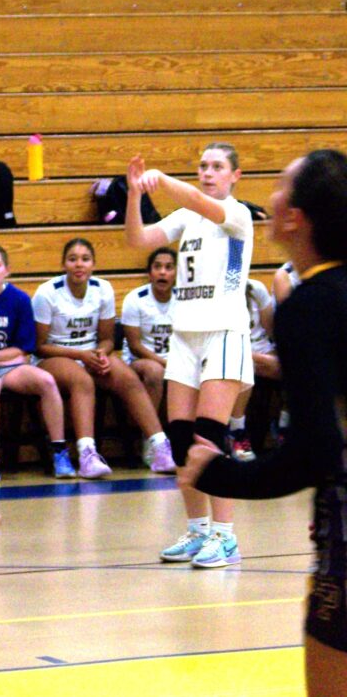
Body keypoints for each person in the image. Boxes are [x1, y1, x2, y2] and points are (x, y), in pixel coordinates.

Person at [182, 149, 347, 694]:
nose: (269, 199)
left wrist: (217, 472)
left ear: (296, 218)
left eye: (279, 187)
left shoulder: (308, 308)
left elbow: (315, 452)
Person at [125, 142, 254, 568]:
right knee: (181, 442)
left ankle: (226, 537)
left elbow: (198, 199)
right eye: (202, 166)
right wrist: (134, 194)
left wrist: (161, 181)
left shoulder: (236, 215)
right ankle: (198, 532)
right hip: (185, 336)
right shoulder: (186, 217)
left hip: (223, 332)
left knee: (209, 439)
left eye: (217, 167)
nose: (208, 172)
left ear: (235, 175)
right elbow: (137, 240)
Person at [32, 238, 174, 479]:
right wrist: (81, 355)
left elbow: (107, 339)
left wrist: (101, 353)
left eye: (85, 259)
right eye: (73, 259)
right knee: (82, 381)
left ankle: (159, 447)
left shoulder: (103, 289)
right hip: (56, 356)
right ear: (63, 264)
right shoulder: (47, 293)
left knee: (127, 377)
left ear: (93, 265)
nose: (79, 264)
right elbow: (39, 346)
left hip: (90, 354)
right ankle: (87, 455)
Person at [0, 245, 66, 483]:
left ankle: (60, 451)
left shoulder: (19, 299)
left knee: (47, 381)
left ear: (7, 270)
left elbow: (23, 348)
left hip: (8, 366)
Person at [120, 247, 176, 465]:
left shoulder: (184, 299)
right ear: (150, 273)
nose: (163, 272)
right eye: (157, 267)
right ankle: (151, 440)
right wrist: (165, 362)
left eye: (168, 267)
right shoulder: (135, 299)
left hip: (175, 361)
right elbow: (134, 346)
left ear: (176, 273)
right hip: (138, 363)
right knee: (155, 371)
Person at [226, 279, 280, 462]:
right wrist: (255, 357)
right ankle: (237, 433)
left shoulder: (256, 288)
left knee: (293, 367)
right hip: (233, 351)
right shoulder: (215, 291)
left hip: (261, 351)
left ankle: (285, 429)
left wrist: (277, 354)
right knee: (241, 366)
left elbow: (272, 332)